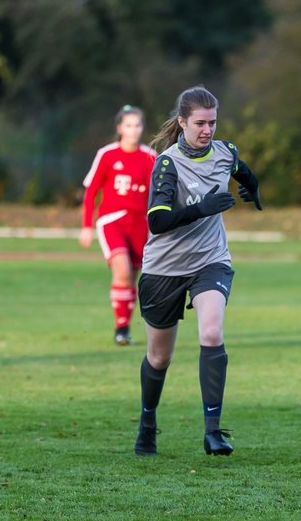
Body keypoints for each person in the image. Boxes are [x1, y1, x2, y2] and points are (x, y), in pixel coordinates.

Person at [133, 86, 262, 457]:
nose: (208, 130)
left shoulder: (225, 152)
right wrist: (203, 207)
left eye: (213, 122)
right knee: (159, 357)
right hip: (164, 269)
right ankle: (147, 423)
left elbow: (243, 172)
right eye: (200, 123)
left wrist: (252, 190)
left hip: (210, 261)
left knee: (211, 331)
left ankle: (213, 431)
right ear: (183, 123)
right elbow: (157, 222)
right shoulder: (168, 163)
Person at [79, 105, 155, 345]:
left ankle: (124, 327)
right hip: (112, 220)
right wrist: (86, 225)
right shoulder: (108, 154)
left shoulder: (150, 156)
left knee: (131, 277)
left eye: (138, 125)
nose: (133, 130)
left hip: (139, 224)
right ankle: (121, 327)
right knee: (121, 270)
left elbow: (157, 194)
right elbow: (92, 191)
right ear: (120, 128)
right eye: (129, 125)